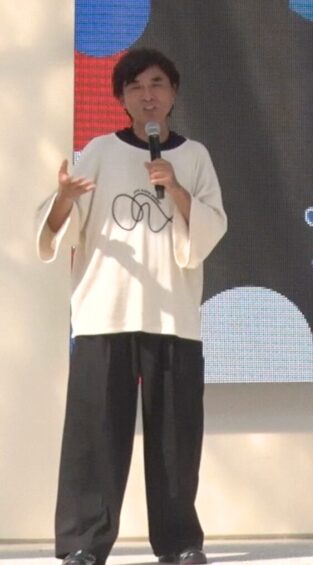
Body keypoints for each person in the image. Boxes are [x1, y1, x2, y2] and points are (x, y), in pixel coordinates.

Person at [36, 48, 227, 565]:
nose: (148, 96)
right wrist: (62, 199)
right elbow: (61, 227)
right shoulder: (99, 151)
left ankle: (180, 543)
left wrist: (175, 187)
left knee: (175, 438)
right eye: (136, 86)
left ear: (173, 93)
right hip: (106, 312)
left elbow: (211, 227)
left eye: (157, 84)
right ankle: (83, 543)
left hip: (172, 315)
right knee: (95, 435)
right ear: (121, 97)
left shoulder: (194, 157)